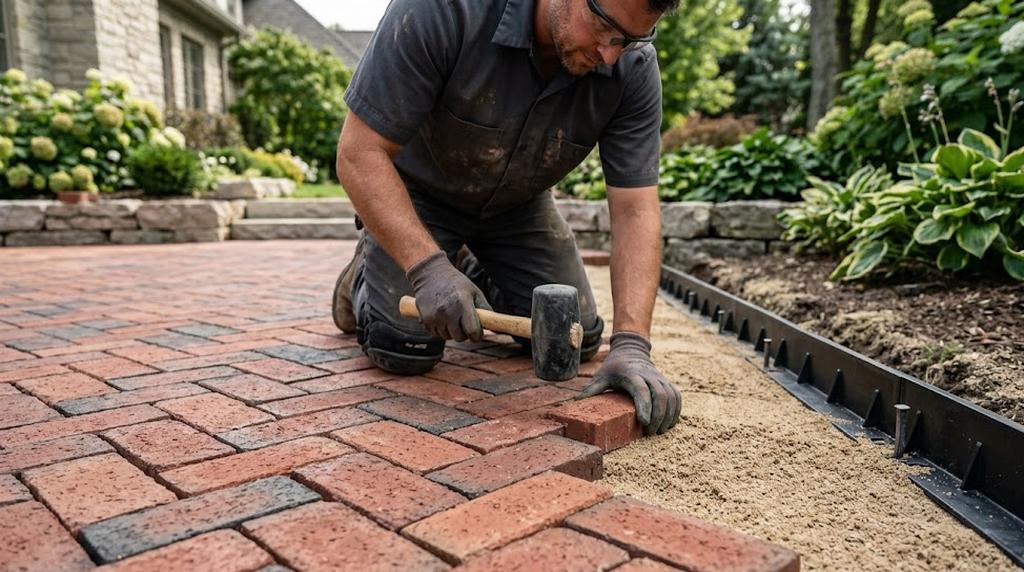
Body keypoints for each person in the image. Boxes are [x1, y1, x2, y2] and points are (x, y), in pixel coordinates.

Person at [332, 0, 682, 435]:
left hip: (518, 208)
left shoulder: (632, 66)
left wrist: (631, 344)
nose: (610, 55)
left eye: (630, 39)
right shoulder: (444, 9)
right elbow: (357, 153)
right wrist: (426, 270)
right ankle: (366, 273)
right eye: (604, 26)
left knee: (580, 336)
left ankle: (471, 268)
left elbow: (635, 210)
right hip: (418, 195)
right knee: (404, 347)